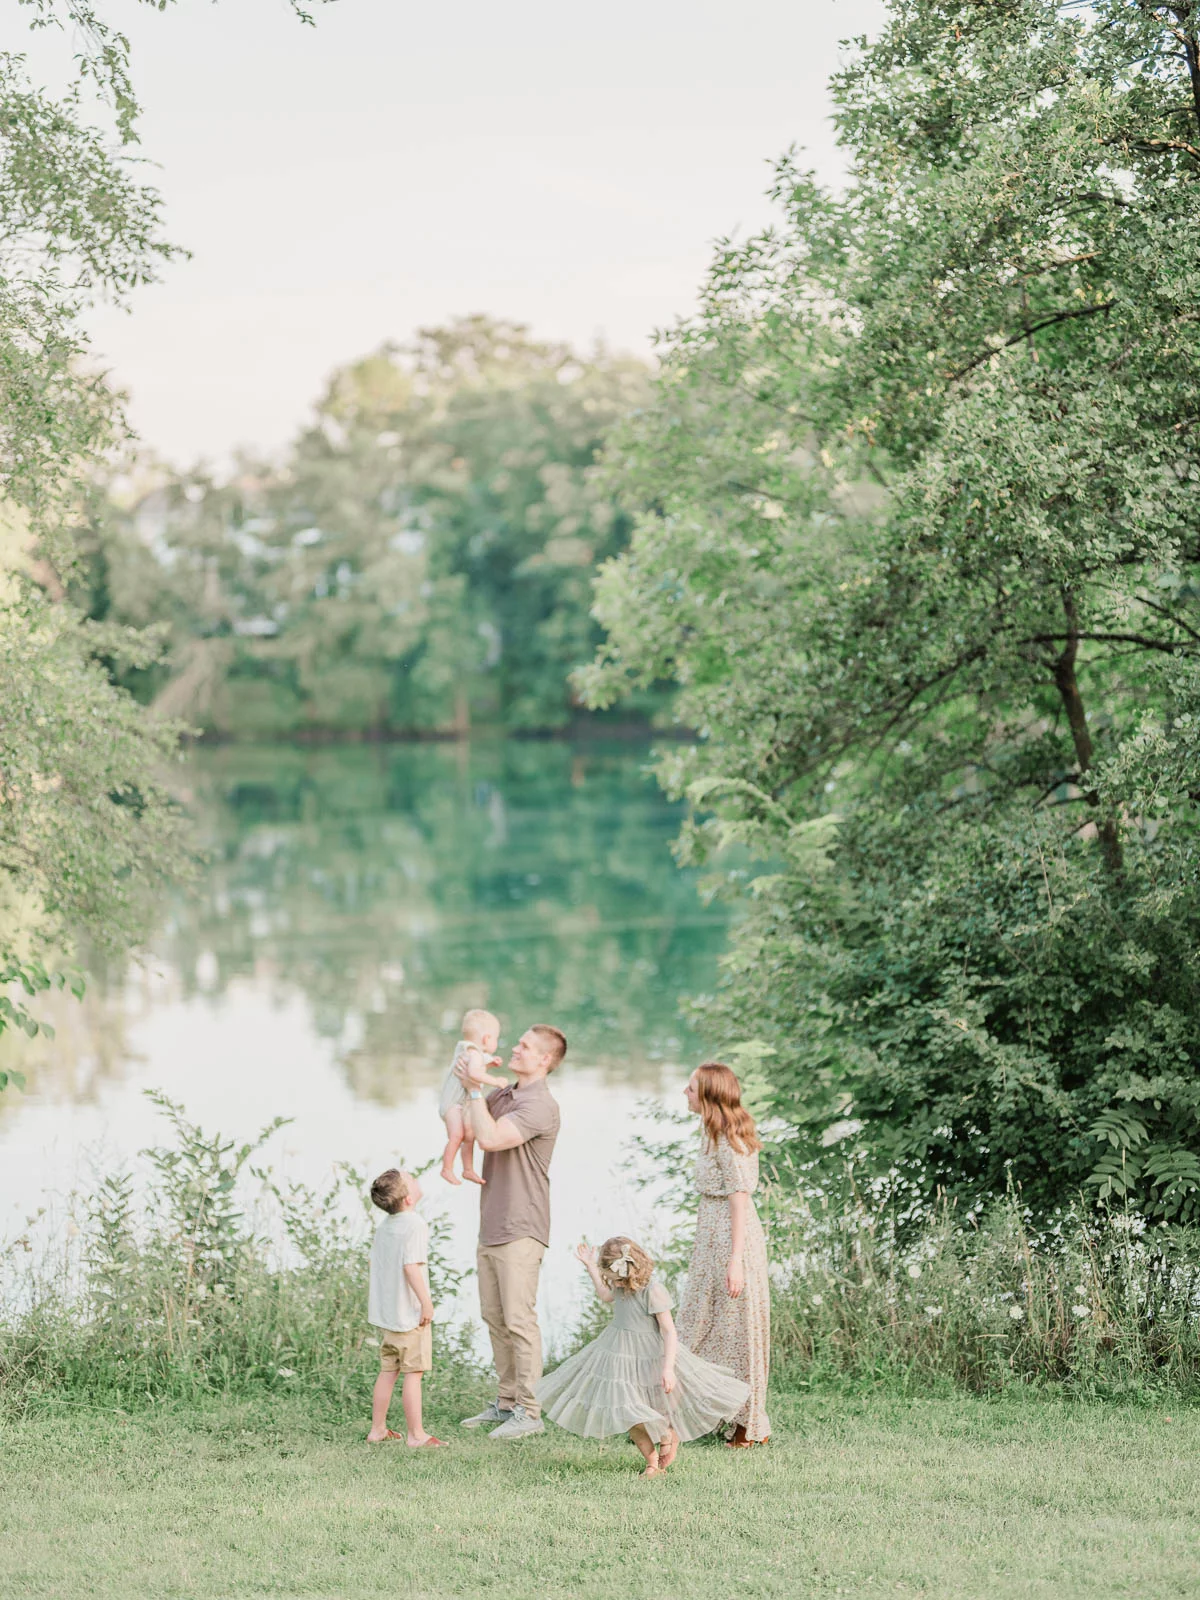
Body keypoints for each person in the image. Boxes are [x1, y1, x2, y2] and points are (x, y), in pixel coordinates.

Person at [538, 1236, 750, 1478]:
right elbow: (606, 1296)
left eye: (616, 1277)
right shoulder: (617, 1286)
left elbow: (669, 1331)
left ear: (631, 1267)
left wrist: (668, 1368)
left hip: (651, 1354)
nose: (613, 1283)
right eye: (610, 1278)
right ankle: (652, 1462)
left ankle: (668, 1436)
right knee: (626, 1410)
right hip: (618, 1354)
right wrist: (590, 1267)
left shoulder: (653, 1290)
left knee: (658, 1406)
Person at [455, 1023, 566, 1440]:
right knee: (494, 1317)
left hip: (522, 1225)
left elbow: (490, 1138)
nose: (515, 1049)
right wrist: (471, 1071)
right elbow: (467, 1123)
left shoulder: (540, 1106)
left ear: (544, 1060)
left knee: (520, 1320)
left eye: (525, 1046)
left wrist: (471, 1091)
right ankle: (506, 1403)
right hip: (493, 1223)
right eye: (517, 1043)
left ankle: (530, 1412)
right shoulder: (504, 1094)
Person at [677, 1062, 771, 1447]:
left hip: (733, 1240)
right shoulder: (710, 1131)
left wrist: (735, 1260)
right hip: (711, 1238)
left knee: (736, 1328)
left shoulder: (728, 1138)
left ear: (708, 1095)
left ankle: (748, 1425)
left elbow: (739, 1198)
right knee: (700, 1323)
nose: (684, 1092)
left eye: (691, 1087)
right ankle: (693, 1413)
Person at [365, 1167, 446, 1448]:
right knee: (414, 1373)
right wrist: (426, 1303)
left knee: (388, 1371)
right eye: (411, 1180)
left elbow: (375, 1264)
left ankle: (378, 1429)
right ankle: (416, 1435)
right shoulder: (415, 1224)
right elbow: (410, 1268)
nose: (416, 1179)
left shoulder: (385, 1227)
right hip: (410, 1317)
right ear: (409, 1199)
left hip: (388, 1317)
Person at [438, 1007, 508, 1186]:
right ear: (487, 1039)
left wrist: (490, 1064)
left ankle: (467, 1169)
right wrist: (495, 1080)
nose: (496, 1044)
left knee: (470, 1134)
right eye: (496, 1039)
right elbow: (474, 1074)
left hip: (463, 1102)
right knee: (457, 1135)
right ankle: (447, 1168)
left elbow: (475, 1070)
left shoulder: (472, 1052)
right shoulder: (473, 1053)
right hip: (452, 1103)